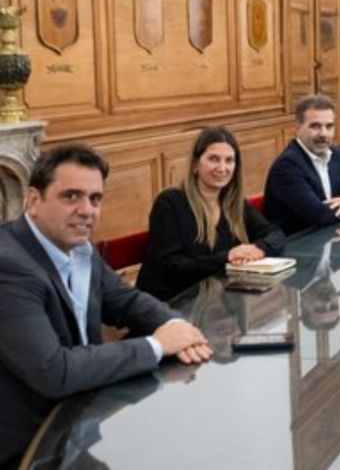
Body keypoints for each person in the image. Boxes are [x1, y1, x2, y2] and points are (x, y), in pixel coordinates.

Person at [0, 144, 211, 467]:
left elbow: (126, 299)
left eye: (95, 198)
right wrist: (157, 345)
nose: (87, 210)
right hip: (27, 449)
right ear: (33, 199)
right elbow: (55, 371)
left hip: (75, 427)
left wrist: (174, 325)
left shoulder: (80, 250)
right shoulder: (9, 265)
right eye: (71, 196)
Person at [137, 127, 285, 301]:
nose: (222, 168)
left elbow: (275, 234)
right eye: (214, 159)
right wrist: (228, 257)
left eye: (229, 160)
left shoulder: (233, 203)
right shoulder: (169, 203)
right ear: (195, 164)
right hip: (170, 303)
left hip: (215, 300)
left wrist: (255, 249)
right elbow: (174, 267)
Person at [264, 95, 340, 236]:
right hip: (297, 247)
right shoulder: (287, 166)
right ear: (298, 127)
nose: (324, 134)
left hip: (331, 239)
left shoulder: (336, 156)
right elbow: (320, 215)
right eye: (315, 126)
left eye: (329, 126)